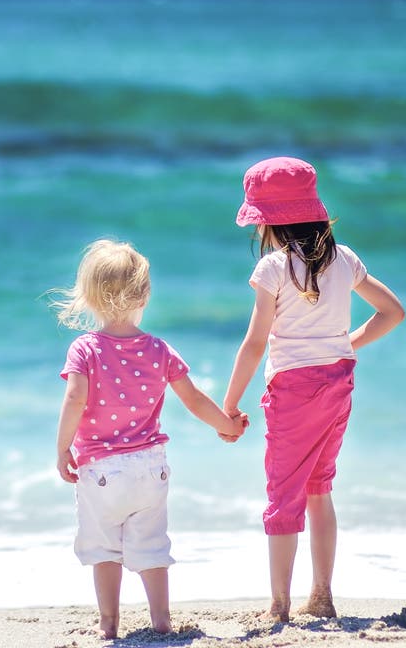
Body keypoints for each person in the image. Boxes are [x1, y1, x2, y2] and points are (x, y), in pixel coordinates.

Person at [220, 157, 405, 623]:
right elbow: (393, 312)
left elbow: (256, 341)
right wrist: (349, 342)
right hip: (339, 380)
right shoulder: (344, 260)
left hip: (294, 390)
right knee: (320, 489)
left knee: (284, 494)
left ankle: (279, 606)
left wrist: (229, 403)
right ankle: (322, 595)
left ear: (270, 224)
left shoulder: (274, 268)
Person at [50, 239, 250, 639]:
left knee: (103, 547)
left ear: (89, 296)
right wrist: (225, 425)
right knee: (152, 546)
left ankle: (109, 623)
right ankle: (162, 620)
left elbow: (75, 398)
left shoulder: (85, 349)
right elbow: (192, 398)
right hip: (149, 468)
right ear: (144, 293)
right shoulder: (158, 349)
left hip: (101, 470)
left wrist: (62, 447)